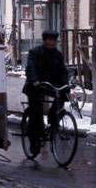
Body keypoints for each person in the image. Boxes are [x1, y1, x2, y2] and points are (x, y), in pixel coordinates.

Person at [25, 29, 69, 157]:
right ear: (44, 41)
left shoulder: (58, 55)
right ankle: (34, 141)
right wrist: (34, 80)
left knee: (63, 95)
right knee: (36, 111)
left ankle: (53, 118)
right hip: (35, 86)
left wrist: (65, 84)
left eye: (53, 41)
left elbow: (63, 71)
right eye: (49, 40)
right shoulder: (35, 52)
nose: (51, 43)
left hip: (50, 85)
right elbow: (30, 68)